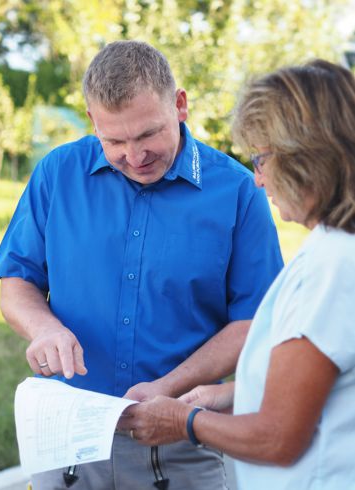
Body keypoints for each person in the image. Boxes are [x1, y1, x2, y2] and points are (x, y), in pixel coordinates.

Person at [0, 40, 283, 490]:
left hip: (181, 444)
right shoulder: (56, 173)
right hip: (66, 439)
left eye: (148, 134)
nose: (134, 155)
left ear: (180, 105)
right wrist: (43, 328)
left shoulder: (240, 192)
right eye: (114, 140)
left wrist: (169, 386)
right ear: (92, 121)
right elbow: (17, 284)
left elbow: (253, 324)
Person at [122, 59, 355, 489]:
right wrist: (224, 396)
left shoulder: (335, 265)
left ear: (307, 157)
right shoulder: (331, 250)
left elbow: (279, 437)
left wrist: (183, 421)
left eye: (262, 159)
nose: (259, 179)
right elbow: (316, 388)